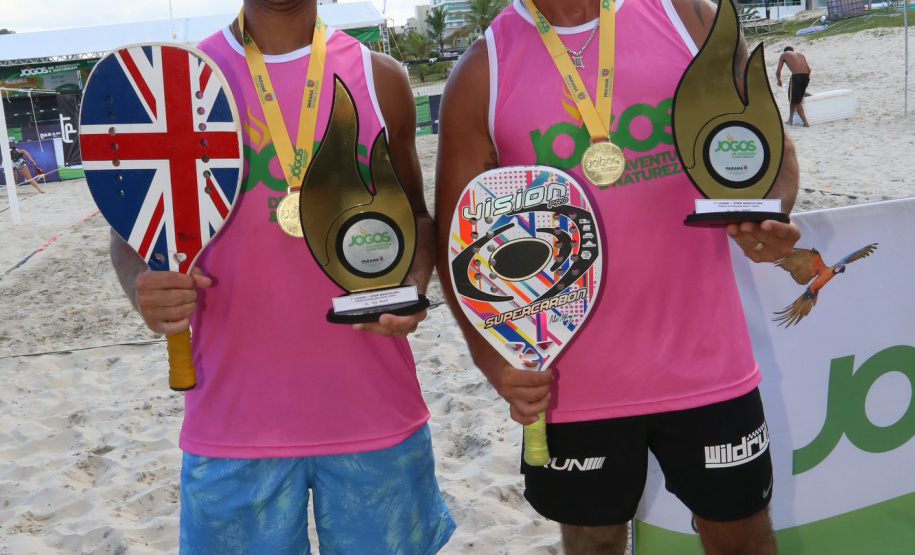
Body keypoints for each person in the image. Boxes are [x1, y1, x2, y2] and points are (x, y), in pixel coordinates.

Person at [434, 0, 801, 553]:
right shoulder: (483, 69)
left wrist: (770, 213)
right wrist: (494, 363)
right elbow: (456, 239)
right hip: (570, 378)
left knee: (744, 541)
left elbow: (773, 148)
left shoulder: (689, 17)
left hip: (707, 362)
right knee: (595, 546)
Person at [109, 0, 454, 552]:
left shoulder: (380, 78)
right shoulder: (185, 81)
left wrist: (413, 285)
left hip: (375, 412)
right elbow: (131, 236)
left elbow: (416, 216)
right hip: (232, 424)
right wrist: (140, 289)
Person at [776, 46, 812, 127]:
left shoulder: (784, 55)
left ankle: (805, 123)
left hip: (796, 77)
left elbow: (778, 71)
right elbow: (809, 70)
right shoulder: (801, 55)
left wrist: (779, 80)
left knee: (796, 101)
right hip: (806, 77)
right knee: (793, 98)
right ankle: (790, 119)